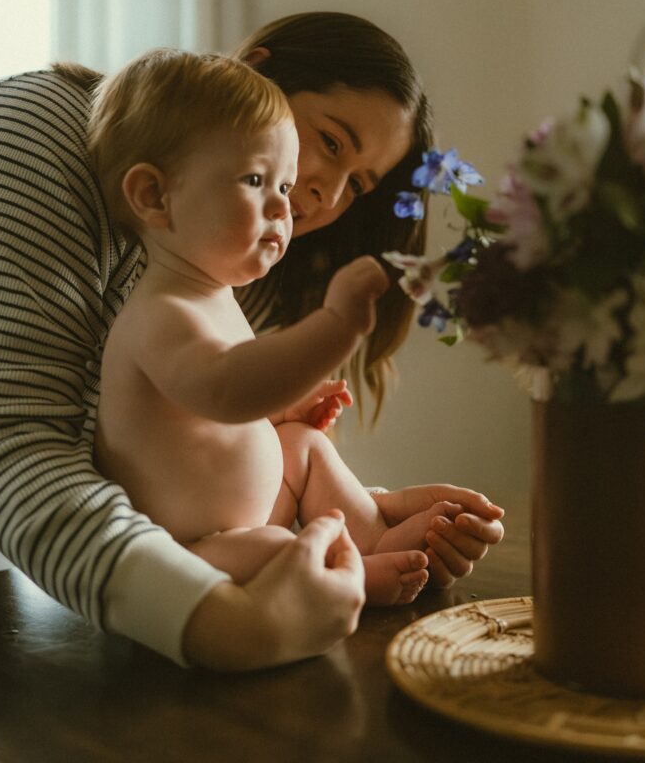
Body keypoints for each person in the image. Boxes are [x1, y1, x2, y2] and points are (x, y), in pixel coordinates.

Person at [0, 11, 504, 672]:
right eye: (330, 141)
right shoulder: (44, 130)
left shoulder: (240, 271)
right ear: (254, 73)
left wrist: (367, 513)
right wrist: (221, 626)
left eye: (357, 185)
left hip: (78, 585)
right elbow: (9, 437)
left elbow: (197, 465)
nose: (322, 194)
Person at [90, 49, 467, 606]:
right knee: (271, 546)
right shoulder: (160, 313)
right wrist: (335, 325)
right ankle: (352, 576)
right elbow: (225, 387)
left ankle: (373, 537)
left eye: (285, 188)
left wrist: (283, 413)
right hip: (190, 544)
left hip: (246, 511)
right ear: (154, 196)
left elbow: (205, 416)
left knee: (304, 445)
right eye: (255, 180)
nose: (284, 208)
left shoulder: (216, 294)